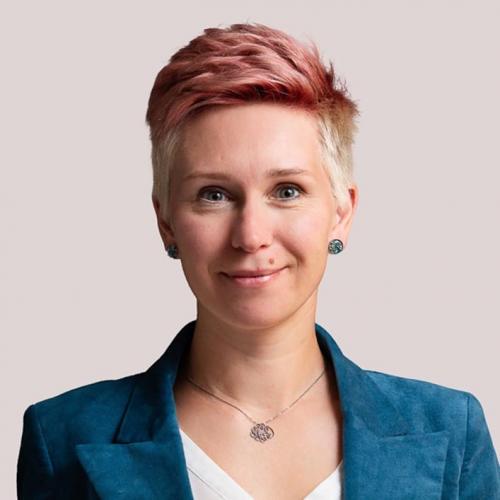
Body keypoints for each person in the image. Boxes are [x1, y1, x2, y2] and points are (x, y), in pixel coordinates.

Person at [17, 22, 499, 500]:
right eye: (214, 194)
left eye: (287, 191)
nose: (250, 236)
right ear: (166, 221)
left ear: (341, 213)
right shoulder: (62, 439)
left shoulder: (451, 433)